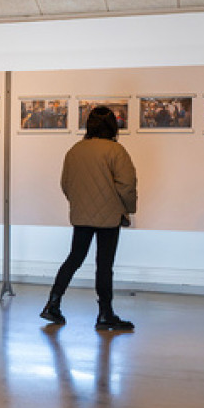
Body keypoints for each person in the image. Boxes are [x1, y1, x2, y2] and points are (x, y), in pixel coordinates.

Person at [40, 106, 138, 332]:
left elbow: (66, 184)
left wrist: (78, 203)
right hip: (110, 216)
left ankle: (52, 304)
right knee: (104, 265)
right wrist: (128, 209)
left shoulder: (75, 150)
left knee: (74, 258)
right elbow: (127, 186)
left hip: (82, 215)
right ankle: (105, 314)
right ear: (112, 125)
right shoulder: (116, 150)